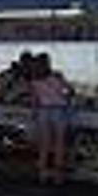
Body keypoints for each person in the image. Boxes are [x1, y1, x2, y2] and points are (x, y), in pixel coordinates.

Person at [29, 53, 72, 185]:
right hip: (58, 110)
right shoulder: (57, 75)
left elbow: (35, 99)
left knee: (45, 144)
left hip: (43, 111)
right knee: (59, 143)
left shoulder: (35, 79)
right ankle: (58, 176)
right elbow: (69, 90)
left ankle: (43, 174)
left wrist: (34, 113)